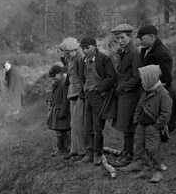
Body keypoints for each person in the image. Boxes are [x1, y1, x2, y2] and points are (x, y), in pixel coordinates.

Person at [121, 24, 175, 173]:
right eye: (138, 38)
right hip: (147, 96)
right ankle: (140, 162)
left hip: (157, 97)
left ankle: (154, 165)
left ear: (152, 37)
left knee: (155, 134)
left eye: (142, 38)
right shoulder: (146, 50)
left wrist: (149, 83)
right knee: (141, 133)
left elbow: (166, 78)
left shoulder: (162, 53)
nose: (139, 41)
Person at [75, 36, 118, 166]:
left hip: (99, 97)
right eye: (83, 48)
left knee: (97, 127)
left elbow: (113, 77)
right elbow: (82, 77)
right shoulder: (83, 60)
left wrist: (99, 89)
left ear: (94, 46)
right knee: (87, 126)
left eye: (87, 48)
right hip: (88, 95)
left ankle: (97, 154)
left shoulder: (104, 59)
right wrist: (84, 90)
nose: (85, 50)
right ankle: (89, 153)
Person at [132, 65, 172, 183]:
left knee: (153, 150)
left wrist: (157, 126)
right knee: (141, 146)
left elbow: (166, 113)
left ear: (151, 78)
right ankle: (146, 169)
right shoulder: (145, 90)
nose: (142, 82)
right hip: (142, 124)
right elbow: (139, 106)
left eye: (144, 79)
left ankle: (157, 172)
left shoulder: (163, 94)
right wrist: (137, 119)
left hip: (153, 127)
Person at [110, 24, 142, 167]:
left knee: (128, 126)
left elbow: (137, 77)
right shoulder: (124, 52)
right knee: (125, 125)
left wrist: (122, 88)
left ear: (130, 37)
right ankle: (126, 151)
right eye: (117, 38)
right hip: (124, 94)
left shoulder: (134, 53)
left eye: (122, 37)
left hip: (130, 95)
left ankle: (129, 155)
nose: (120, 41)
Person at [60, 37, 86, 163]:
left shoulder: (80, 59)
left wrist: (82, 93)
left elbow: (82, 77)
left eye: (68, 52)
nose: (66, 55)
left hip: (79, 94)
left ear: (74, 49)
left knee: (78, 125)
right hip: (72, 94)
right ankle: (74, 151)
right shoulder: (71, 60)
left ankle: (82, 152)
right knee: (73, 124)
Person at [47, 63, 71, 157]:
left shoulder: (63, 83)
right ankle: (60, 149)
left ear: (59, 74)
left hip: (62, 111)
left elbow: (66, 100)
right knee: (58, 131)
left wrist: (63, 112)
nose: (53, 78)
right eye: (51, 76)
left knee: (63, 131)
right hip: (56, 110)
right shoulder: (57, 84)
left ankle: (66, 149)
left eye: (54, 76)